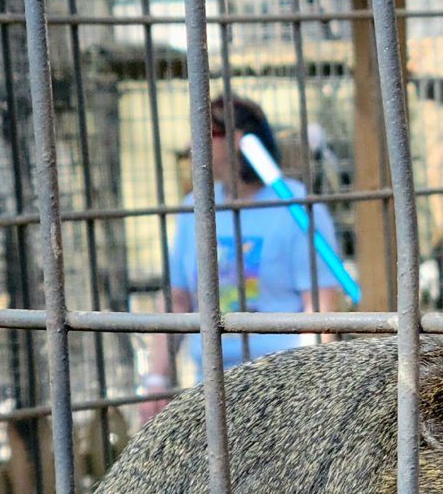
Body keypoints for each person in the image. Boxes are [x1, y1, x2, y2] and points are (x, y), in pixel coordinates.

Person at [139, 94, 344, 415]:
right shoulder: (192, 208)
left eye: (204, 134)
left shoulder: (296, 206)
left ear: (236, 140)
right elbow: (177, 302)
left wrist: (311, 393)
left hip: (282, 387)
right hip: (208, 389)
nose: (191, 145)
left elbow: (319, 311)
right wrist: (154, 379)